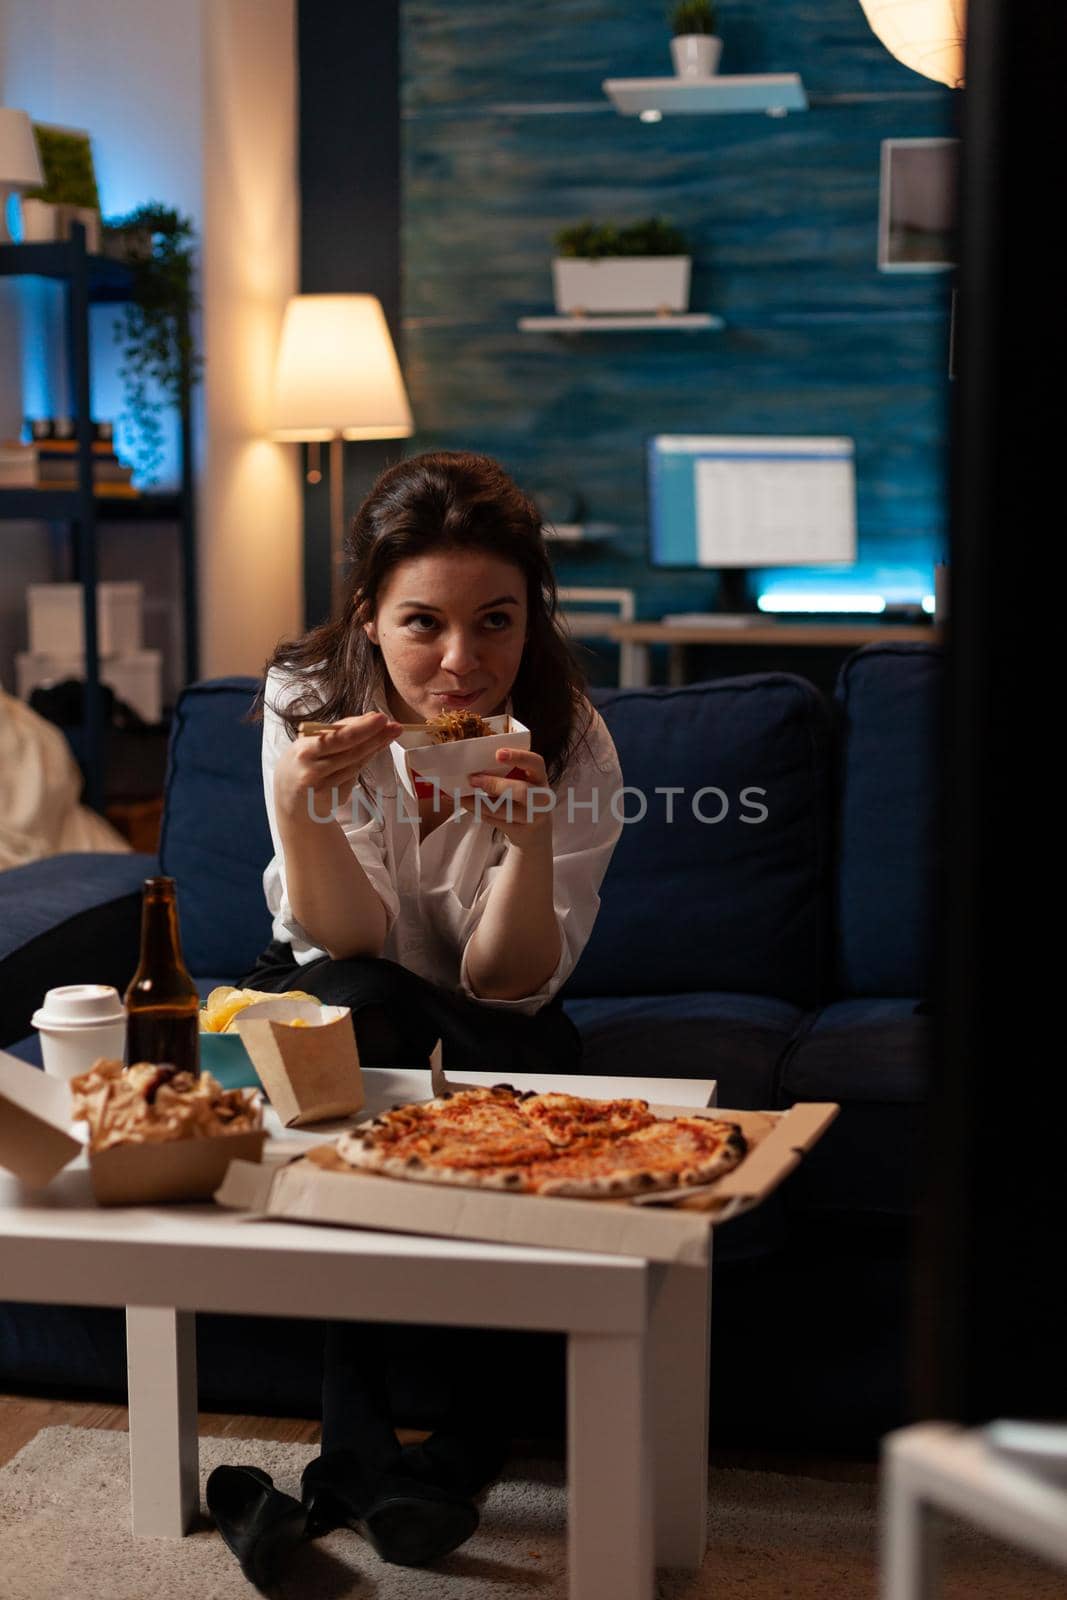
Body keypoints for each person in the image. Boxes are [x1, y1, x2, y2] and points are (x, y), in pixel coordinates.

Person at [242, 449, 624, 1570]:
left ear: (530, 619)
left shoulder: (573, 737)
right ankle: (355, 1438)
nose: (460, 665)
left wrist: (530, 838)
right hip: (344, 989)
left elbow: (508, 982)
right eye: (422, 625)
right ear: (368, 617)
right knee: (364, 1005)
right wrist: (298, 806)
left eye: (494, 622)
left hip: (492, 1007)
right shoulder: (303, 703)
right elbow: (348, 945)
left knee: (496, 1069)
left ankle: (444, 1449)